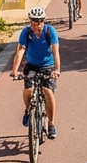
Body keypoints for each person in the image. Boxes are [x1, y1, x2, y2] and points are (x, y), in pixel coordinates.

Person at [10, 8, 61, 140]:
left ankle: (51, 124)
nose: (36, 27)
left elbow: (55, 51)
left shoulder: (50, 31)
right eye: (33, 24)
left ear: (43, 22)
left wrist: (57, 69)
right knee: (28, 90)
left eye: (38, 24)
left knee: (47, 91)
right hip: (32, 65)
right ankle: (28, 110)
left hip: (48, 66)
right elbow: (21, 50)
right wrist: (15, 70)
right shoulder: (26, 32)